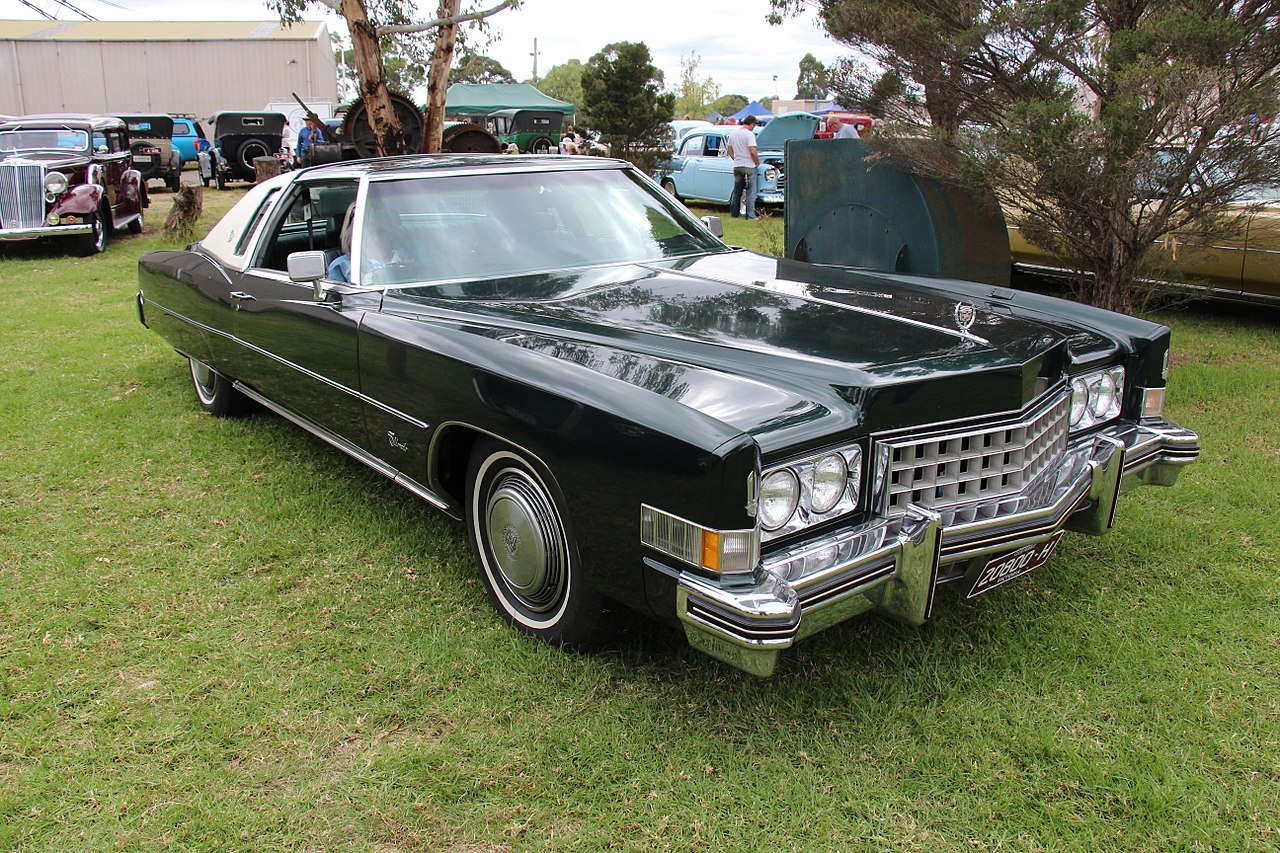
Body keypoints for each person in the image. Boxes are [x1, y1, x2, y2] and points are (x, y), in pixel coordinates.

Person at [726, 114, 760, 219]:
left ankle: (734, 213)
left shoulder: (733, 133)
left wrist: (735, 158)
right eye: (754, 125)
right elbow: (752, 151)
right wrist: (757, 162)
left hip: (737, 165)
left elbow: (729, 149)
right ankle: (750, 215)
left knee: (737, 191)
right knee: (751, 191)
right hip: (749, 165)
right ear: (752, 124)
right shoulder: (749, 134)